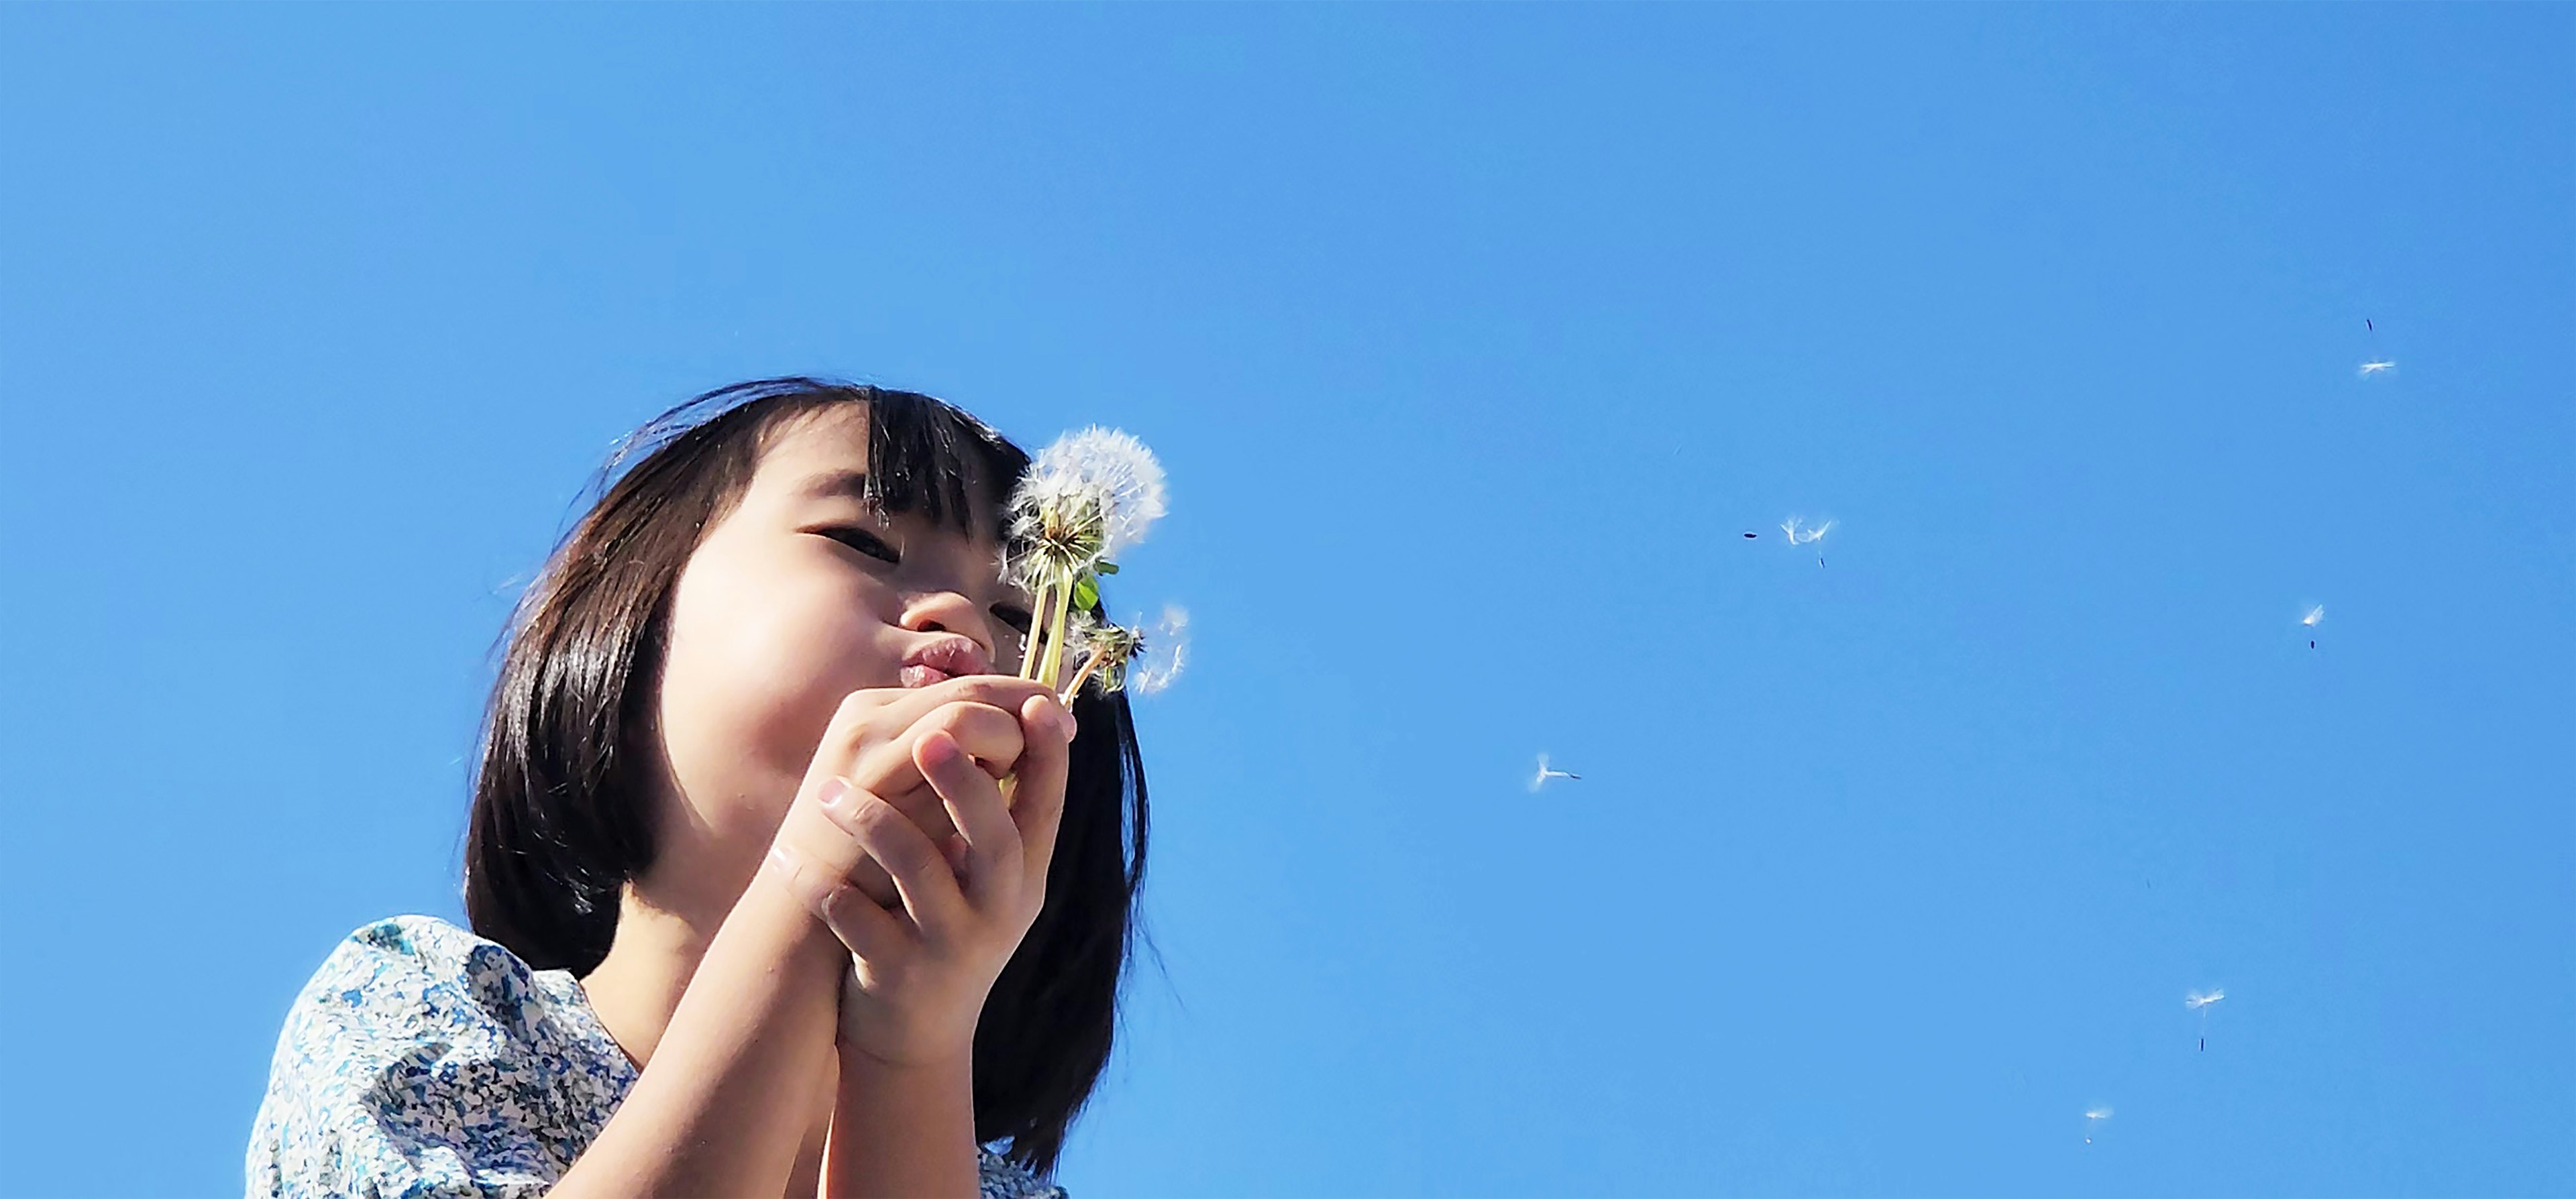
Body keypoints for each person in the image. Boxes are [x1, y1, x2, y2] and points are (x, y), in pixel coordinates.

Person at [247, 378, 1152, 1198]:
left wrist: (912, 1051)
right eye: (863, 543)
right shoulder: (427, 1017)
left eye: (1020, 619)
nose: (960, 622)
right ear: (629, 631)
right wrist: (809, 891)